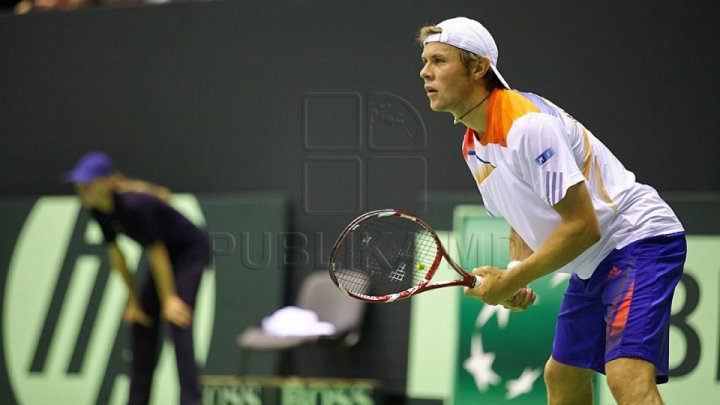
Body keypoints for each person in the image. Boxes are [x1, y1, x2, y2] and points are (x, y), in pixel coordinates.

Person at [417, 17, 686, 405]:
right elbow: (521, 217)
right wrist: (514, 274)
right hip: (594, 263)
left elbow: (583, 227)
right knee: (561, 376)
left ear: (478, 68)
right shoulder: (473, 147)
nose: (425, 71)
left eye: (440, 60)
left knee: (626, 375)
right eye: (425, 61)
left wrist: (511, 280)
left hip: (638, 239)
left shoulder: (528, 126)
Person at [66, 151, 209, 405]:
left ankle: (191, 400)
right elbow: (117, 256)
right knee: (141, 320)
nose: (83, 190)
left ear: (107, 182)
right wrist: (133, 300)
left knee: (179, 318)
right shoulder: (97, 209)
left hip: (189, 252)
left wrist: (169, 300)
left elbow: (157, 252)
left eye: (89, 184)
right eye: (80, 185)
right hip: (164, 256)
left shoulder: (135, 206)